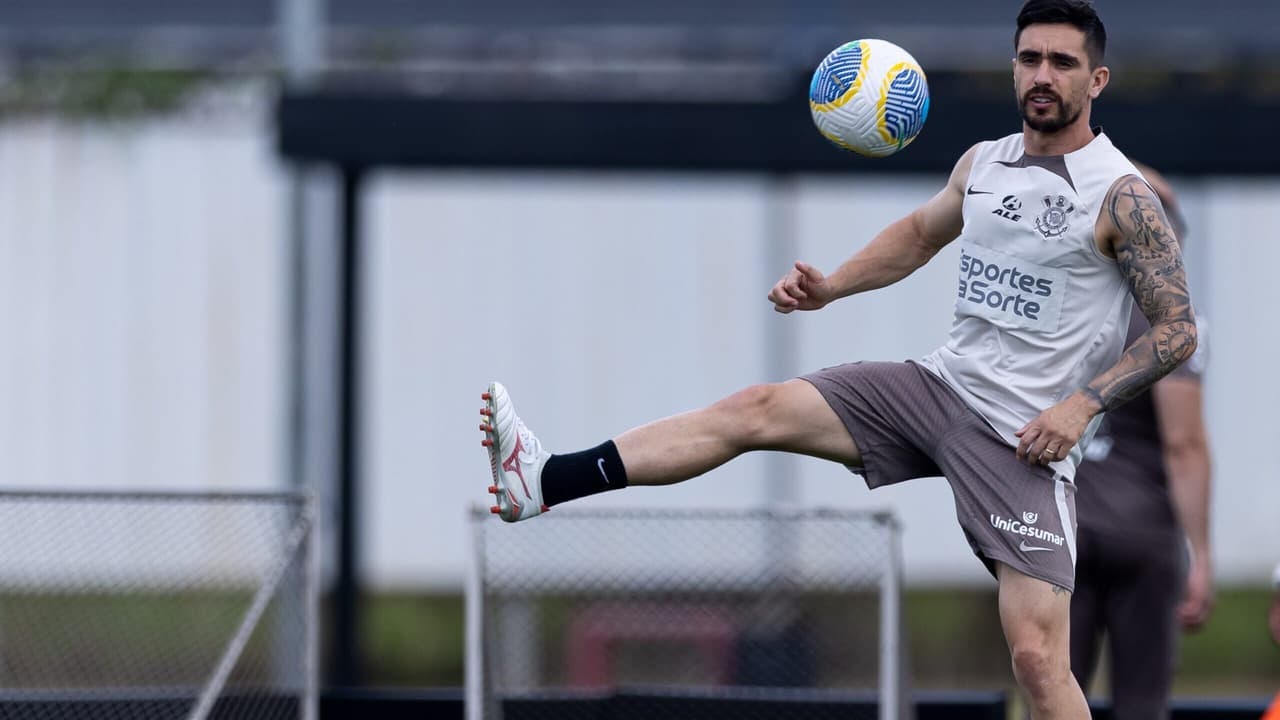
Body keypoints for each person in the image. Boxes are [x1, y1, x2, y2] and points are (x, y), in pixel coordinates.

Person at [478, 1, 1198, 718]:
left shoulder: (1122, 194)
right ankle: (542, 480)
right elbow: (919, 234)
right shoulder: (985, 162)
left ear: (1096, 80)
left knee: (1041, 664)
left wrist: (1082, 405)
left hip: (1023, 439)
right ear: (1014, 67)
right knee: (754, 409)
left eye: (1063, 63)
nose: (1044, 75)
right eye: (1031, 59)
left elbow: (1177, 331)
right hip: (938, 388)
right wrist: (831, 287)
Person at [1068, 164, 1214, 720]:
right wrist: (1202, 556)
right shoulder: (1177, 325)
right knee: (1142, 706)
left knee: (1052, 694)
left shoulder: (1064, 314)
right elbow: (1184, 445)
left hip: (1061, 529)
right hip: (1143, 531)